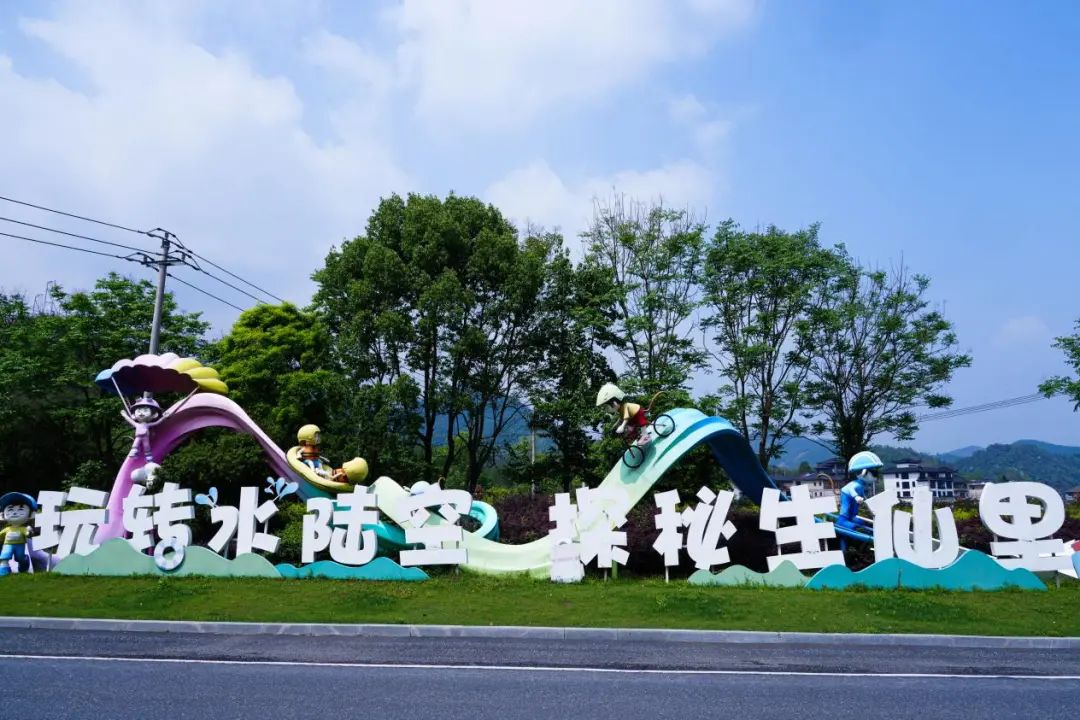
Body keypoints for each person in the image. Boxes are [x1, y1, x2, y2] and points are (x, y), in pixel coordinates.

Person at [837, 451, 882, 533]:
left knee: (855, 508)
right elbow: (851, 489)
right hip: (846, 494)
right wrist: (856, 496)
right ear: (864, 472)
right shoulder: (856, 484)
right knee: (846, 508)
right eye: (874, 473)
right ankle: (842, 521)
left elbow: (862, 492)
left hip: (855, 497)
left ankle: (852, 517)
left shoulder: (862, 484)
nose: (876, 477)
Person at [0, 492, 37, 577]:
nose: (14, 513)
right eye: (10, 510)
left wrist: (29, 532)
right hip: (7, 545)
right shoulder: (7, 529)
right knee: (5, 556)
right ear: (2, 515)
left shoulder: (23, 528)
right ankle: (4, 569)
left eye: (20, 509)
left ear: (31, 514)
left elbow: (28, 534)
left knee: (20, 557)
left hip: (20, 545)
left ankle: (24, 562)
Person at [123, 396, 165, 463]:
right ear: (133, 415)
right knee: (135, 445)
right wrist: (124, 415)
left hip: (145, 437)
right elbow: (129, 420)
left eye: (145, 410)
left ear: (154, 415)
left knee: (147, 447)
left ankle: (149, 459)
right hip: (138, 437)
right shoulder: (136, 424)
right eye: (138, 411)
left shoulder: (148, 424)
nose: (141, 413)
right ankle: (134, 453)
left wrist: (164, 417)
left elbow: (157, 422)